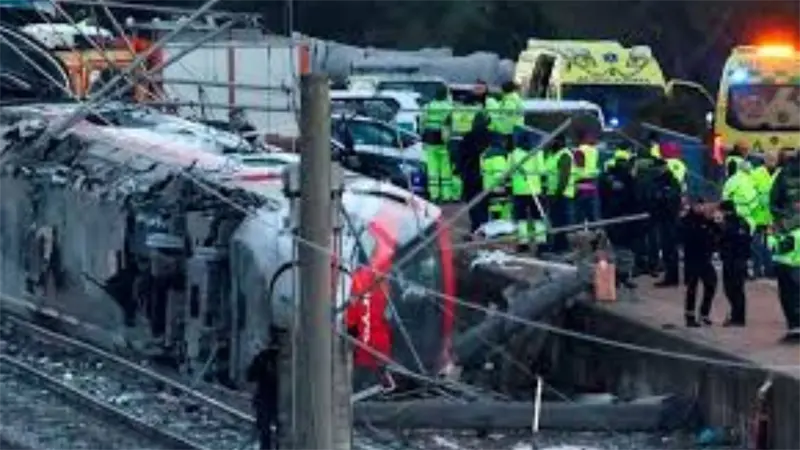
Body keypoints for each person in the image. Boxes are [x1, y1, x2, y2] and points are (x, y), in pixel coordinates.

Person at [768, 149, 800, 341]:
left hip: (787, 236)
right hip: (790, 235)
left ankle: (794, 326)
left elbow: (772, 203)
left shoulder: (784, 174)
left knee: (787, 284)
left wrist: (784, 220)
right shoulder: (784, 174)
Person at [455, 82, 493, 234]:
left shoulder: (468, 137)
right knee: (484, 201)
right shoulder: (491, 136)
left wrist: (459, 169)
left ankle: (476, 226)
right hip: (485, 174)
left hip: (470, 173)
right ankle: (484, 225)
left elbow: (461, 154)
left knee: (472, 201)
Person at [597, 149, 637, 288]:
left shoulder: (607, 176)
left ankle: (619, 276)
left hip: (613, 215)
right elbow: (633, 196)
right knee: (621, 247)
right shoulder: (627, 178)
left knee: (616, 247)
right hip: (621, 216)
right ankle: (620, 276)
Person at [681, 200, 719, 327]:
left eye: (702, 205)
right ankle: (690, 316)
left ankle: (704, 313)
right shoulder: (687, 220)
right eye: (698, 205)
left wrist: (713, 221)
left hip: (705, 259)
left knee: (711, 284)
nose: (701, 207)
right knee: (692, 287)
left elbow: (717, 232)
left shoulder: (706, 220)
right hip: (692, 259)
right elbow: (687, 237)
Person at [509, 127, 546, 252]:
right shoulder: (537, 152)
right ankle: (541, 243)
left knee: (521, 219)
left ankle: (523, 244)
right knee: (538, 218)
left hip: (519, 190)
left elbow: (509, 171)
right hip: (535, 189)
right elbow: (542, 170)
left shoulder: (514, 154)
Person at [650, 153, 683, 287]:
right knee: (667, 248)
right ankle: (671, 276)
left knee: (670, 248)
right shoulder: (659, 180)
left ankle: (672, 277)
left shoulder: (670, 181)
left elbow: (672, 198)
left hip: (669, 218)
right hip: (663, 217)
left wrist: (661, 197)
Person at [717, 200, 751, 327]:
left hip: (732, 259)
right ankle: (738, 316)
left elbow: (723, 239)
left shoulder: (727, 224)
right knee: (737, 289)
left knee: (731, 289)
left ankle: (737, 317)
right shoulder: (743, 222)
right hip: (740, 259)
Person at [750, 150, 781, 278]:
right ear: (765, 160)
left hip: (773, 216)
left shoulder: (780, 173)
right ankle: (757, 270)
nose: (772, 161)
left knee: (772, 246)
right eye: (769, 159)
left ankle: (770, 271)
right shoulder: (756, 173)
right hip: (758, 215)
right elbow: (750, 191)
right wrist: (759, 198)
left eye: (774, 159)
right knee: (756, 245)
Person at [420, 86, 454, 202]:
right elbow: (452, 123)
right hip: (444, 140)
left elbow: (422, 123)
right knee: (445, 169)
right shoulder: (449, 107)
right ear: (445, 95)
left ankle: (434, 195)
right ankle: (447, 195)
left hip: (430, 139)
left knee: (432, 168)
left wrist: (422, 135)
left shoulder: (428, 106)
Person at [247, 339, 281, 450]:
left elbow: (250, 376)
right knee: (278, 432)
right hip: (275, 399)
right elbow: (250, 376)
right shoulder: (284, 357)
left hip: (266, 399)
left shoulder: (262, 357)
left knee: (265, 432)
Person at [543, 134, 575, 252]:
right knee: (554, 221)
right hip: (552, 194)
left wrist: (557, 194)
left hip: (562, 194)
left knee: (561, 222)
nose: (551, 143)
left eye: (553, 141)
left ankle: (562, 246)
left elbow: (564, 178)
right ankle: (555, 245)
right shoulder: (552, 155)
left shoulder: (564, 155)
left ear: (560, 142)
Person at [573, 130, 601, 223]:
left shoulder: (580, 151)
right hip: (592, 182)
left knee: (580, 211)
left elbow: (578, 167)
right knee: (593, 212)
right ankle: (595, 229)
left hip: (581, 182)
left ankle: (580, 229)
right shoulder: (594, 150)